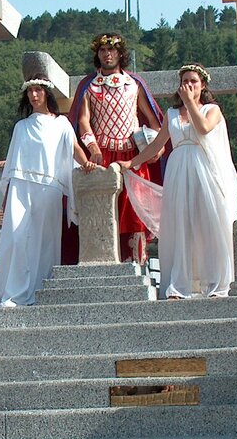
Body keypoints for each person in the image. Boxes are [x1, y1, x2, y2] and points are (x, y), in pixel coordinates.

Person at [120, 64, 237, 298]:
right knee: (180, 224)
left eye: (193, 81)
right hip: (178, 168)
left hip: (204, 167)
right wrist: (132, 162)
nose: (188, 85)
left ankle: (218, 284)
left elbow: (204, 128)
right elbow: (157, 145)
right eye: (185, 81)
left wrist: (190, 103)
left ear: (202, 85)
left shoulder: (211, 109)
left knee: (211, 223)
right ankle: (179, 284)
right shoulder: (172, 114)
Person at [0, 75, 96, 308]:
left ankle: (41, 290)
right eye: (30, 91)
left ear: (46, 93)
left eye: (38, 90)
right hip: (21, 185)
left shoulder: (61, 124)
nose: (34, 95)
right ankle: (13, 292)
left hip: (49, 187)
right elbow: (12, 165)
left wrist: (87, 163)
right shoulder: (22, 126)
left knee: (44, 241)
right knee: (17, 238)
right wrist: (7, 197)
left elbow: (74, 147)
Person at [70, 32, 165, 265]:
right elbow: (83, 120)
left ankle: (138, 264)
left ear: (120, 53)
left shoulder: (134, 84)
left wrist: (155, 149)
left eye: (111, 50)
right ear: (97, 54)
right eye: (102, 50)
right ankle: (104, 263)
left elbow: (153, 122)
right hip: (102, 156)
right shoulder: (89, 86)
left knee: (135, 215)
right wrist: (93, 148)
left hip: (132, 158)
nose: (107, 54)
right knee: (101, 213)